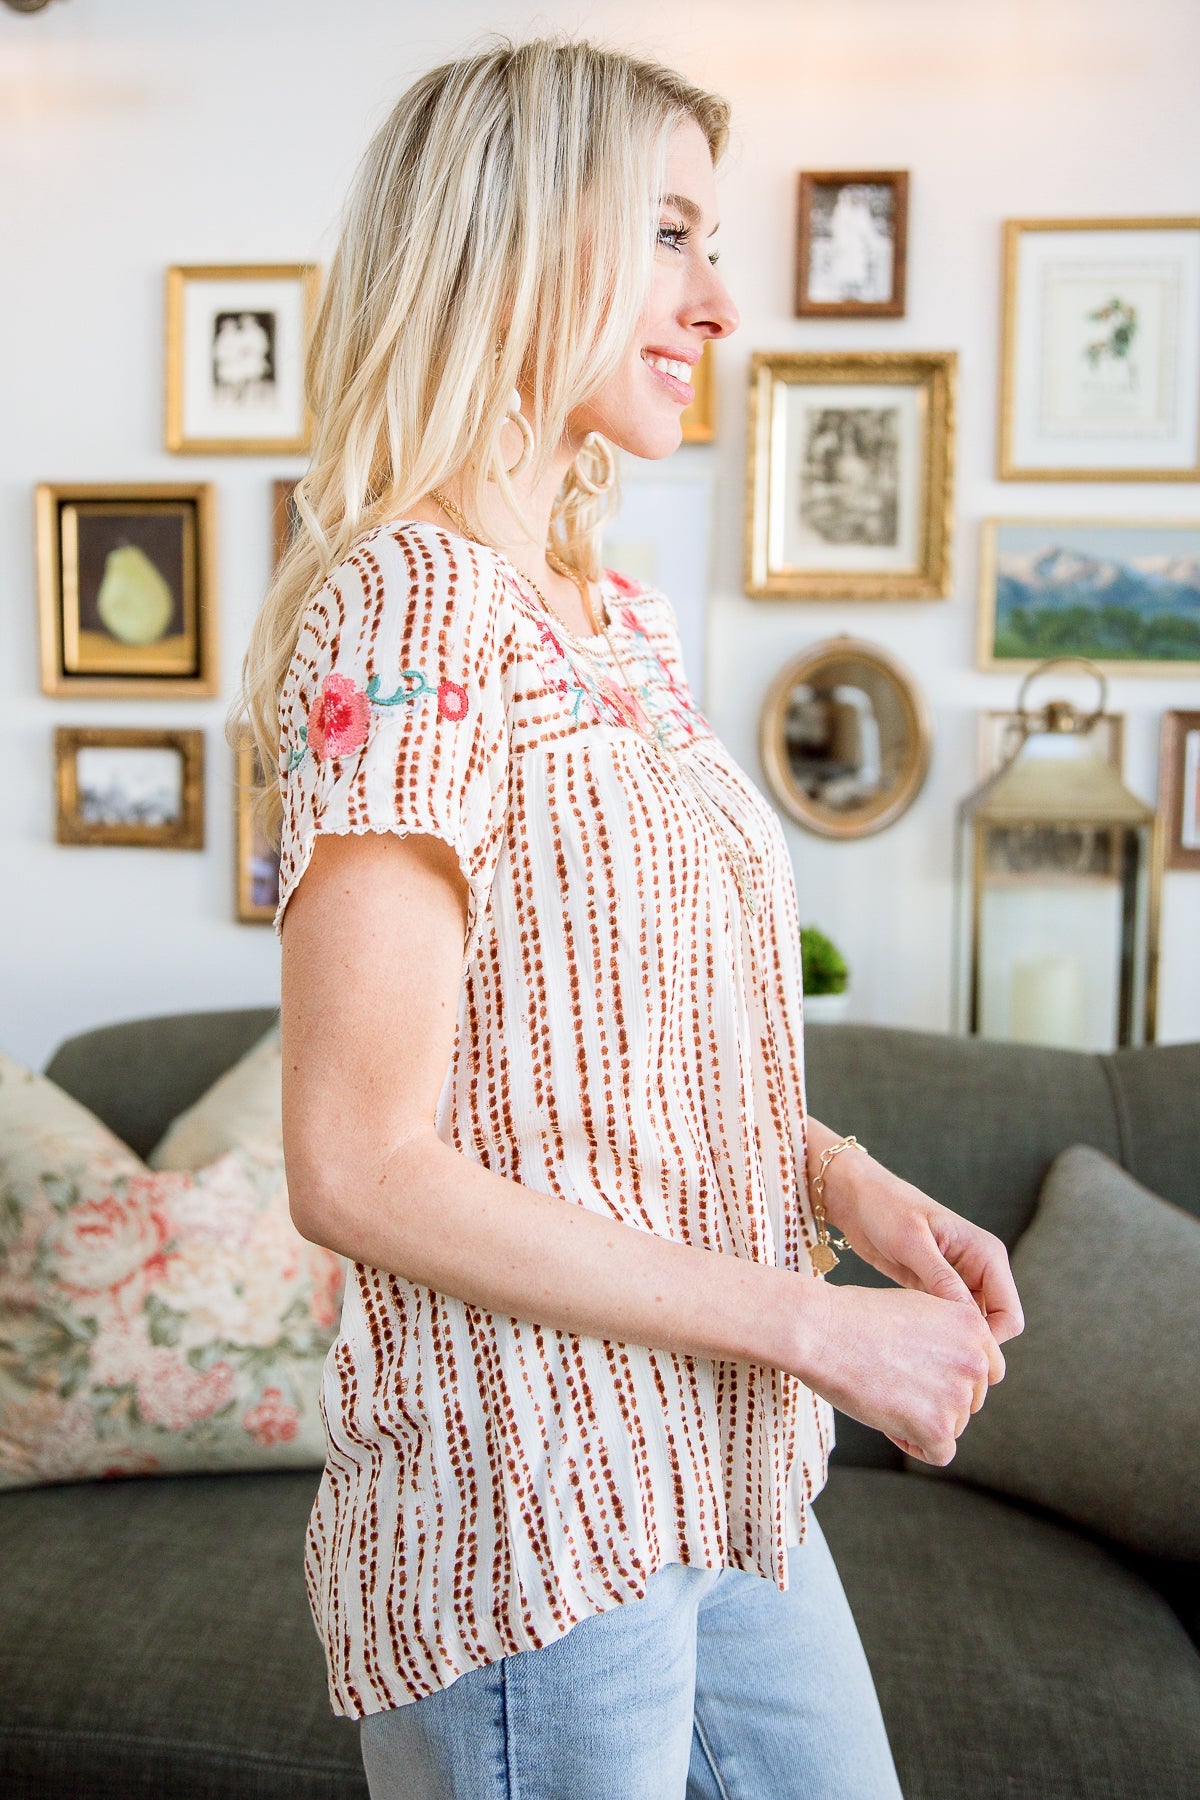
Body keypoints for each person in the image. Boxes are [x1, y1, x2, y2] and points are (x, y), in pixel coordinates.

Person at [234, 35, 1023, 1800]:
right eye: (670, 233)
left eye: (713, 241)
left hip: (716, 1463)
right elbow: (356, 1165)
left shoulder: (610, 619)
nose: (721, 299)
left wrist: (844, 1185)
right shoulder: (408, 602)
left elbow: (612, 1048)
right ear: (518, 240)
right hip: (536, 1503)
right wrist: (818, 1326)